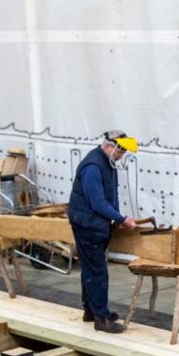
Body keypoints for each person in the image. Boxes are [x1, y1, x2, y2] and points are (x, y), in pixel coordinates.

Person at [67, 131, 139, 334]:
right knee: (97, 271)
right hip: (87, 224)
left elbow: (110, 195)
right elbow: (97, 202)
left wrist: (115, 218)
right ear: (109, 146)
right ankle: (101, 317)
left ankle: (90, 310)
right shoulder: (93, 167)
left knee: (90, 268)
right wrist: (122, 219)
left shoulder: (107, 163)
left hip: (94, 222)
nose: (122, 155)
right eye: (120, 151)